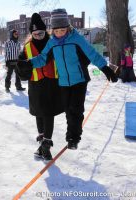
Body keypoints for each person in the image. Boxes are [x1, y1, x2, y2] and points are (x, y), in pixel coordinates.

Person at [18, 8, 117, 150]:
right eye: (56, 31)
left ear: (67, 27)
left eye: (62, 30)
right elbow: (43, 58)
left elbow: (92, 54)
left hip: (79, 80)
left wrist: (105, 68)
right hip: (63, 82)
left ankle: (73, 137)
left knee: (75, 110)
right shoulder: (52, 43)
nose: (59, 33)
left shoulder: (77, 39)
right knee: (68, 110)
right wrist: (30, 63)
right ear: (52, 30)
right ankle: (71, 133)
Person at [16, 13, 63, 161]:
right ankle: (42, 144)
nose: (38, 36)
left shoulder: (52, 43)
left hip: (51, 84)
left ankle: (46, 147)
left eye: (41, 33)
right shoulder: (27, 47)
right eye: (35, 34)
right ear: (31, 33)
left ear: (45, 31)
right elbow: (21, 66)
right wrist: (21, 67)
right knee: (38, 113)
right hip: (35, 85)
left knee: (48, 114)